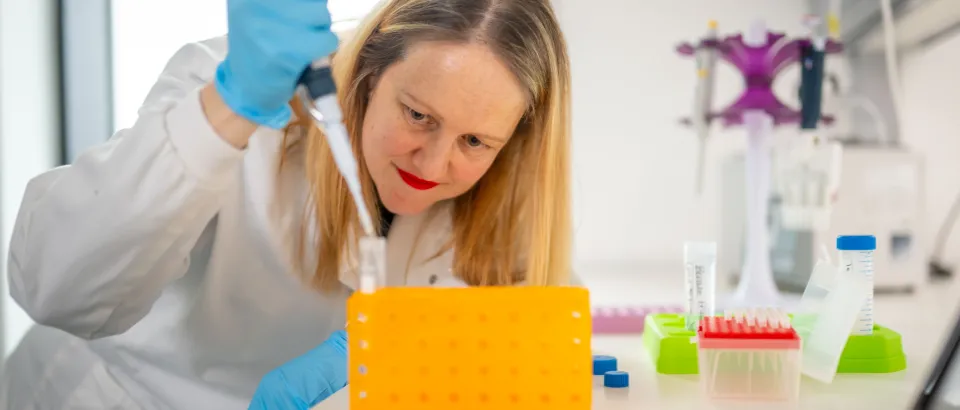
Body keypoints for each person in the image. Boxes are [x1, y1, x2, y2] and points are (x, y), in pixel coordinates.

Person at [0, 0, 573, 408]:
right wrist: (234, 106)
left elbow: (532, 336)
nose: (432, 164)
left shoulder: (513, 186)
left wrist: (422, 345)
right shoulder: (248, 94)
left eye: (474, 142)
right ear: (369, 73)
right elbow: (56, 286)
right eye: (418, 115)